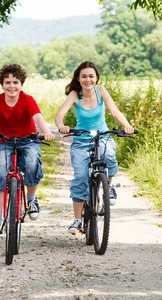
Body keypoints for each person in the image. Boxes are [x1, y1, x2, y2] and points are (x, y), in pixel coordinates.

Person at [54, 61, 134, 234]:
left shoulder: (101, 91)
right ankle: (77, 221)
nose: (88, 80)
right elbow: (59, 115)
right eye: (84, 76)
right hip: (81, 141)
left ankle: (109, 186)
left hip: (102, 136)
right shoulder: (75, 94)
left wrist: (127, 126)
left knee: (109, 157)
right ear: (78, 78)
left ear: (96, 78)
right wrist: (61, 126)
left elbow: (114, 111)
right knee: (81, 178)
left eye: (91, 76)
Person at [0, 64, 55, 233]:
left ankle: (32, 199)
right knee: (0, 172)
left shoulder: (27, 100)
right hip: (4, 141)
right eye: (8, 82)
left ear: (21, 84)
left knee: (31, 162)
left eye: (15, 82)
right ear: (2, 85)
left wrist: (47, 132)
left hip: (28, 140)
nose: (12, 86)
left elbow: (37, 117)